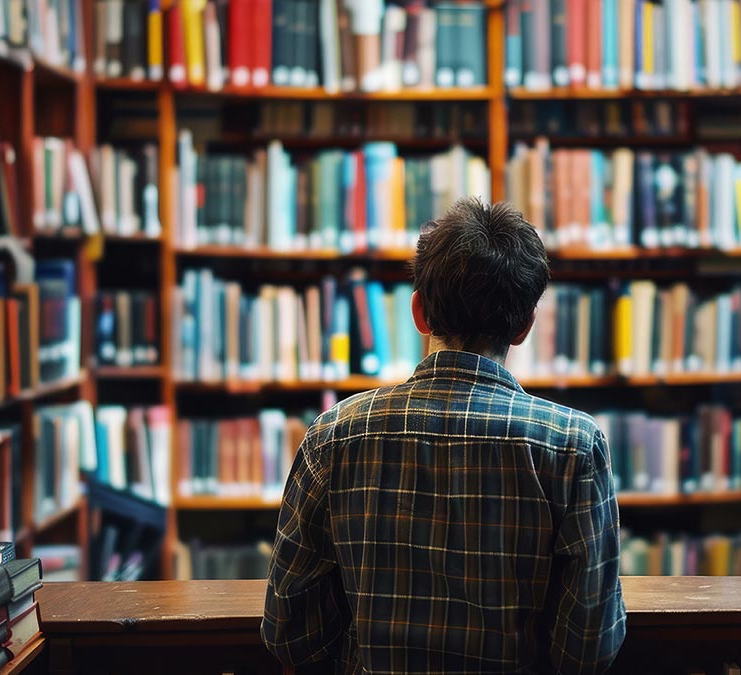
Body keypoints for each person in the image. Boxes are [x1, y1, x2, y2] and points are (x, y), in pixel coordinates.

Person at [261, 198, 626, 674]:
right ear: (523, 326)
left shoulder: (333, 436)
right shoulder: (574, 445)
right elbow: (587, 649)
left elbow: (289, 631)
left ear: (419, 312)